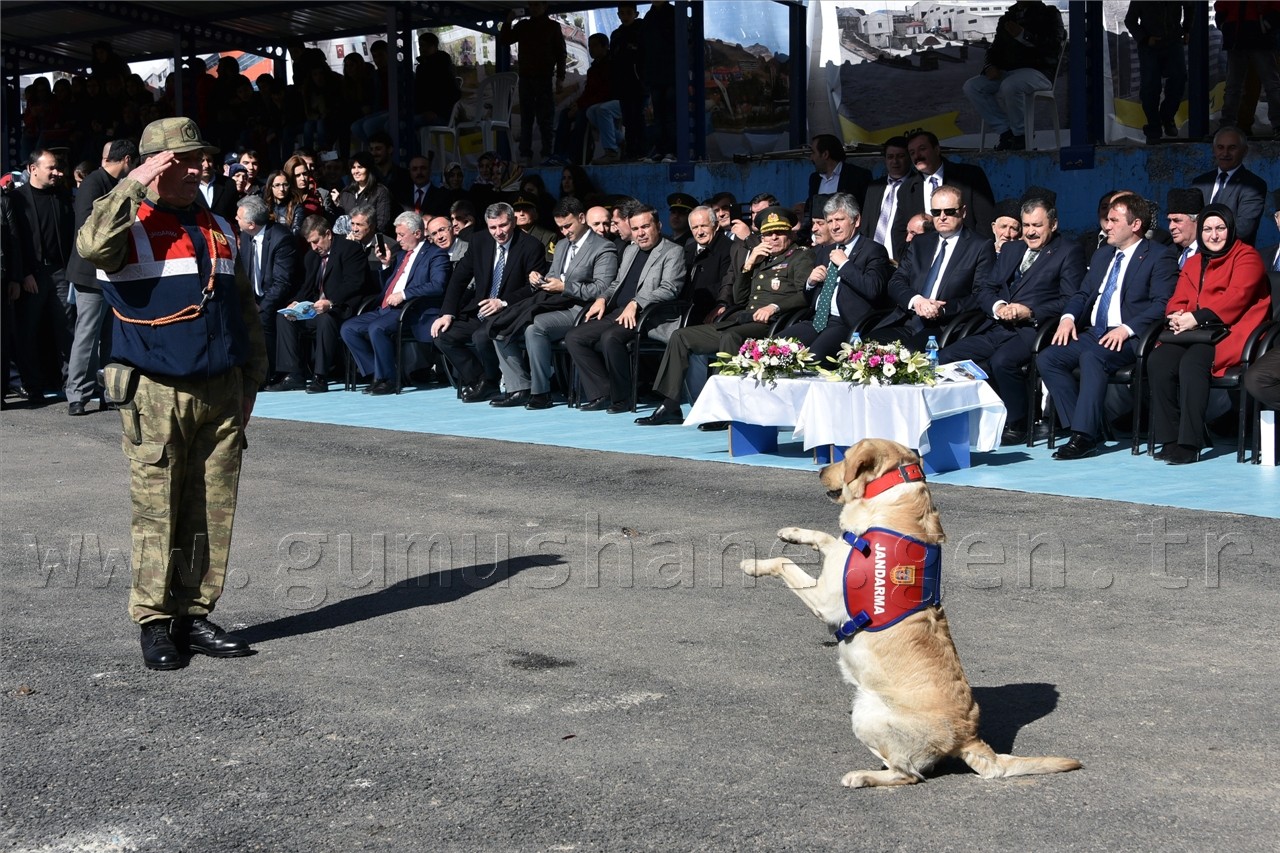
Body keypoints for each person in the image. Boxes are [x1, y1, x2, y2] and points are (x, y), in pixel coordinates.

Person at [75, 117, 268, 670]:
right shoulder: (126, 223)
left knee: (211, 510)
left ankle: (193, 613)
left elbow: (244, 311)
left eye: (200, 158)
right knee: (158, 510)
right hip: (155, 392)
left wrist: (251, 380)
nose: (197, 168)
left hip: (220, 390)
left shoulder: (219, 227)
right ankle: (154, 621)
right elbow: (90, 245)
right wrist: (132, 184)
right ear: (154, 164)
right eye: (181, 160)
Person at [636, 206, 813, 426]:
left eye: (779, 232)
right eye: (768, 234)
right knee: (681, 336)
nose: (773, 238)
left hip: (773, 324)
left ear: (790, 234)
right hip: (741, 319)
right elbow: (739, 299)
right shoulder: (762, 259)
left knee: (731, 338)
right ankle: (670, 405)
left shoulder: (801, 257)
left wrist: (775, 307)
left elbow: (805, 295)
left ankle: (723, 409)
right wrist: (748, 266)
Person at [1037, 193, 1180, 460]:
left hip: (1131, 336)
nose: (1107, 226)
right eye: (1107, 220)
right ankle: (1086, 426)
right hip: (1096, 332)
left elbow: (1162, 304)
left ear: (1135, 224)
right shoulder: (1103, 256)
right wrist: (1068, 318)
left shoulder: (1159, 256)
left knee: (1092, 358)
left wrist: (1127, 328)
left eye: (1114, 220)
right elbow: (1082, 294)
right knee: (1049, 357)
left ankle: (1084, 436)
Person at [939, 192, 1086, 444]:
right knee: (948, 357)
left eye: (1037, 226)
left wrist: (1030, 311)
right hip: (997, 325)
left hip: (1035, 330)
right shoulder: (1012, 249)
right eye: (1026, 225)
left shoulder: (1068, 251)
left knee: (1002, 361)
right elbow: (985, 288)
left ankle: (1018, 422)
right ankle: (960, 420)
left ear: (1053, 224)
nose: (1030, 232)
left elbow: (1070, 297)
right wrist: (998, 306)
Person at [1147, 204, 1271, 464]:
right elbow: (1178, 297)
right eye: (1207, 229)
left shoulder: (1247, 256)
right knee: (1159, 360)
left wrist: (1196, 318)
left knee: (1193, 363)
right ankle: (1169, 439)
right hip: (1194, 331)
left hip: (1231, 332)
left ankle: (1190, 443)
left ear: (1230, 229)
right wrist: (1178, 315)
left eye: (1220, 228)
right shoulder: (1193, 262)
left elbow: (1237, 298)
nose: (1214, 235)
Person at [491, 197, 619, 409]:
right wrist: (538, 280)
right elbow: (553, 275)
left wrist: (564, 286)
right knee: (502, 322)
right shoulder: (561, 245)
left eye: (568, 226)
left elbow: (601, 289)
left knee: (536, 327)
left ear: (581, 218)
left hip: (580, 308)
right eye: (560, 227)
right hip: (552, 302)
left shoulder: (603, 247)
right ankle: (519, 386)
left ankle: (540, 392)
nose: (564, 231)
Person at [565, 203, 685, 413]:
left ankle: (623, 398)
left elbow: (669, 289)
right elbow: (616, 283)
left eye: (645, 227)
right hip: (618, 312)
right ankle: (603, 392)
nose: (641, 233)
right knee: (575, 337)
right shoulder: (630, 250)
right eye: (636, 229)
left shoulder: (673, 251)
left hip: (648, 316)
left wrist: (636, 302)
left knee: (610, 338)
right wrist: (602, 298)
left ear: (658, 225)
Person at [431, 202, 550, 402]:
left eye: (503, 226)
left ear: (512, 222)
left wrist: (502, 302)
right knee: (443, 335)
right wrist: (447, 313)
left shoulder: (531, 246)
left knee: (481, 336)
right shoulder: (479, 241)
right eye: (493, 227)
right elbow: (459, 278)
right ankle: (481, 380)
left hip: (510, 311)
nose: (498, 232)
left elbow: (533, 288)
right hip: (480, 310)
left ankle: (491, 381)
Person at [872, 184, 996, 350]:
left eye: (949, 211)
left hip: (947, 326)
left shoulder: (980, 246)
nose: (942, 217)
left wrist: (943, 309)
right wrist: (916, 301)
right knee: (864, 348)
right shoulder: (920, 243)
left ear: (963, 211)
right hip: (908, 319)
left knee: (908, 356)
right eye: (936, 212)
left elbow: (980, 295)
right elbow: (896, 281)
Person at [341, 211, 450, 395]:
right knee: (348, 328)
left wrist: (405, 294)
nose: (398, 239)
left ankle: (388, 379)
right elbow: (389, 286)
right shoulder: (400, 255)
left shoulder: (435, 254)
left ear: (417, 233)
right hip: (387, 308)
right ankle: (377, 373)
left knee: (377, 328)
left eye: (401, 235)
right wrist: (385, 264)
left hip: (413, 310)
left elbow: (438, 285)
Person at [65, 139, 137, 415]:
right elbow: (86, 225)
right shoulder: (94, 183)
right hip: (90, 272)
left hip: (113, 272)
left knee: (111, 336)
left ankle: (109, 391)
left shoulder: (114, 183)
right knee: (87, 334)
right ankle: (78, 393)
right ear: (127, 160)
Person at [267, 215, 371, 394]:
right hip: (315, 308)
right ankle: (293, 374)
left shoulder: (350, 249)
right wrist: (296, 303)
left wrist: (330, 303)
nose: (314, 247)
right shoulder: (312, 256)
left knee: (325, 318)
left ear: (328, 234)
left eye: (316, 241)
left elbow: (355, 284)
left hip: (341, 309)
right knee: (285, 317)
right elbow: (306, 286)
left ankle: (320, 376)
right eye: (310, 243)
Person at [779, 193, 890, 360]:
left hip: (846, 322)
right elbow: (809, 298)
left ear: (856, 220)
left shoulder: (873, 250)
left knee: (813, 358)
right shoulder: (824, 252)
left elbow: (873, 289)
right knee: (773, 348)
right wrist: (810, 283)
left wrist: (845, 265)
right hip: (817, 320)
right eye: (830, 221)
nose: (834, 226)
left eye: (839, 219)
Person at [10, 148, 75, 402]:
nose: (57, 173)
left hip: (60, 272)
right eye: (51, 168)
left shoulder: (61, 197)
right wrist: (23, 273)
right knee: (29, 331)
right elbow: (15, 241)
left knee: (67, 328)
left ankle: (70, 384)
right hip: (32, 273)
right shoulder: (17, 199)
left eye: (57, 168)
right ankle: (33, 386)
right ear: (32, 169)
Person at [962, 0, 1066, 151]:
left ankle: (1022, 136)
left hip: (1039, 72)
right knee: (972, 87)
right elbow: (994, 48)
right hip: (1007, 72)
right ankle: (1006, 132)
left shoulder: (1050, 14)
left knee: (1011, 85)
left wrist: (1023, 35)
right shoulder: (1007, 18)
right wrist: (990, 66)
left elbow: (1053, 46)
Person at [235, 194, 298, 382]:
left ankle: (266, 375)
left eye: (239, 217)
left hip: (279, 297)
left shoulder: (281, 238)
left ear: (252, 223)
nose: (236, 220)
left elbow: (282, 282)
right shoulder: (246, 236)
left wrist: (261, 306)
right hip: (254, 296)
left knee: (262, 319)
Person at [498, 3, 567, 164]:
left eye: (537, 4)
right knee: (528, 118)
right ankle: (527, 154)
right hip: (527, 78)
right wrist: (508, 22)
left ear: (545, 6)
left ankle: (545, 153)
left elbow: (560, 53)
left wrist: (560, 78)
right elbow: (505, 40)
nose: (534, 7)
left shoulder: (552, 27)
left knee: (544, 118)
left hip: (542, 78)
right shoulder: (524, 26)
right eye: (532, 4)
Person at [905, 129, 996, 239]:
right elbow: (900, 230)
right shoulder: (907, 189)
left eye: (922, 149)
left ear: (937, 149)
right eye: (912, 153)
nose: (917, 156)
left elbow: (985, 220)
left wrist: (979, 251)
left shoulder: (969, 176)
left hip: (967, 250)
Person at [1124, 2, 1193, 144]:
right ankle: (1154, 126)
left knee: (1179, 79)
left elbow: (1190, 5)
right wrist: (1145, 39)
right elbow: (1130, 20)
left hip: (1173, 42)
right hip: (1150, 46)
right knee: (1150, 87)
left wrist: (1187, 29)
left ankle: (1167, 117)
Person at [1191, 127, 1269, 245]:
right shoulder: (1200, 182)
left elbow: (1243, 229)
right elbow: (1190, 221)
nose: (1225, 153)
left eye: (1232, 148)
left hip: (1233, 256)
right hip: (1199, 254)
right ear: (1214, 150)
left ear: (1245, 151)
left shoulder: (1253, 185)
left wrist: (1208, 240)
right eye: (1220, 147)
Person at [859, 136, 922, 262]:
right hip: (873, 259)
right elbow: (866, 225)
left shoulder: (918, 186)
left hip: (902, 259)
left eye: (900, 156)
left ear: (909, 158)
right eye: (890, 157)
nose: (895, 161)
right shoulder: (875, 187)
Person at [807, 133, 871, 217]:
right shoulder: (815, 179)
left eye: (813, 152)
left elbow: (867, 211)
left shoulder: (858, 176)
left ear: (825, 154)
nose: (811, 158)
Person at [332, 152, 394, 235]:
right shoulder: (346, 192)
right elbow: (342, 221)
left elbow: (382, 225)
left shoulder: (380, 192)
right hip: (348, 242)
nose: (356, 171)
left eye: (360, 167)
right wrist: (338, 205)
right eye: (353, 167)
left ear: (369, 169)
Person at [1165, 187, 1205, 269]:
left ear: (1197, 220)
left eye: (1177, 220)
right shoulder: (1169, 252)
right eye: (1169, 221)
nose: (1171, 227)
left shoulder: (1209, 253)